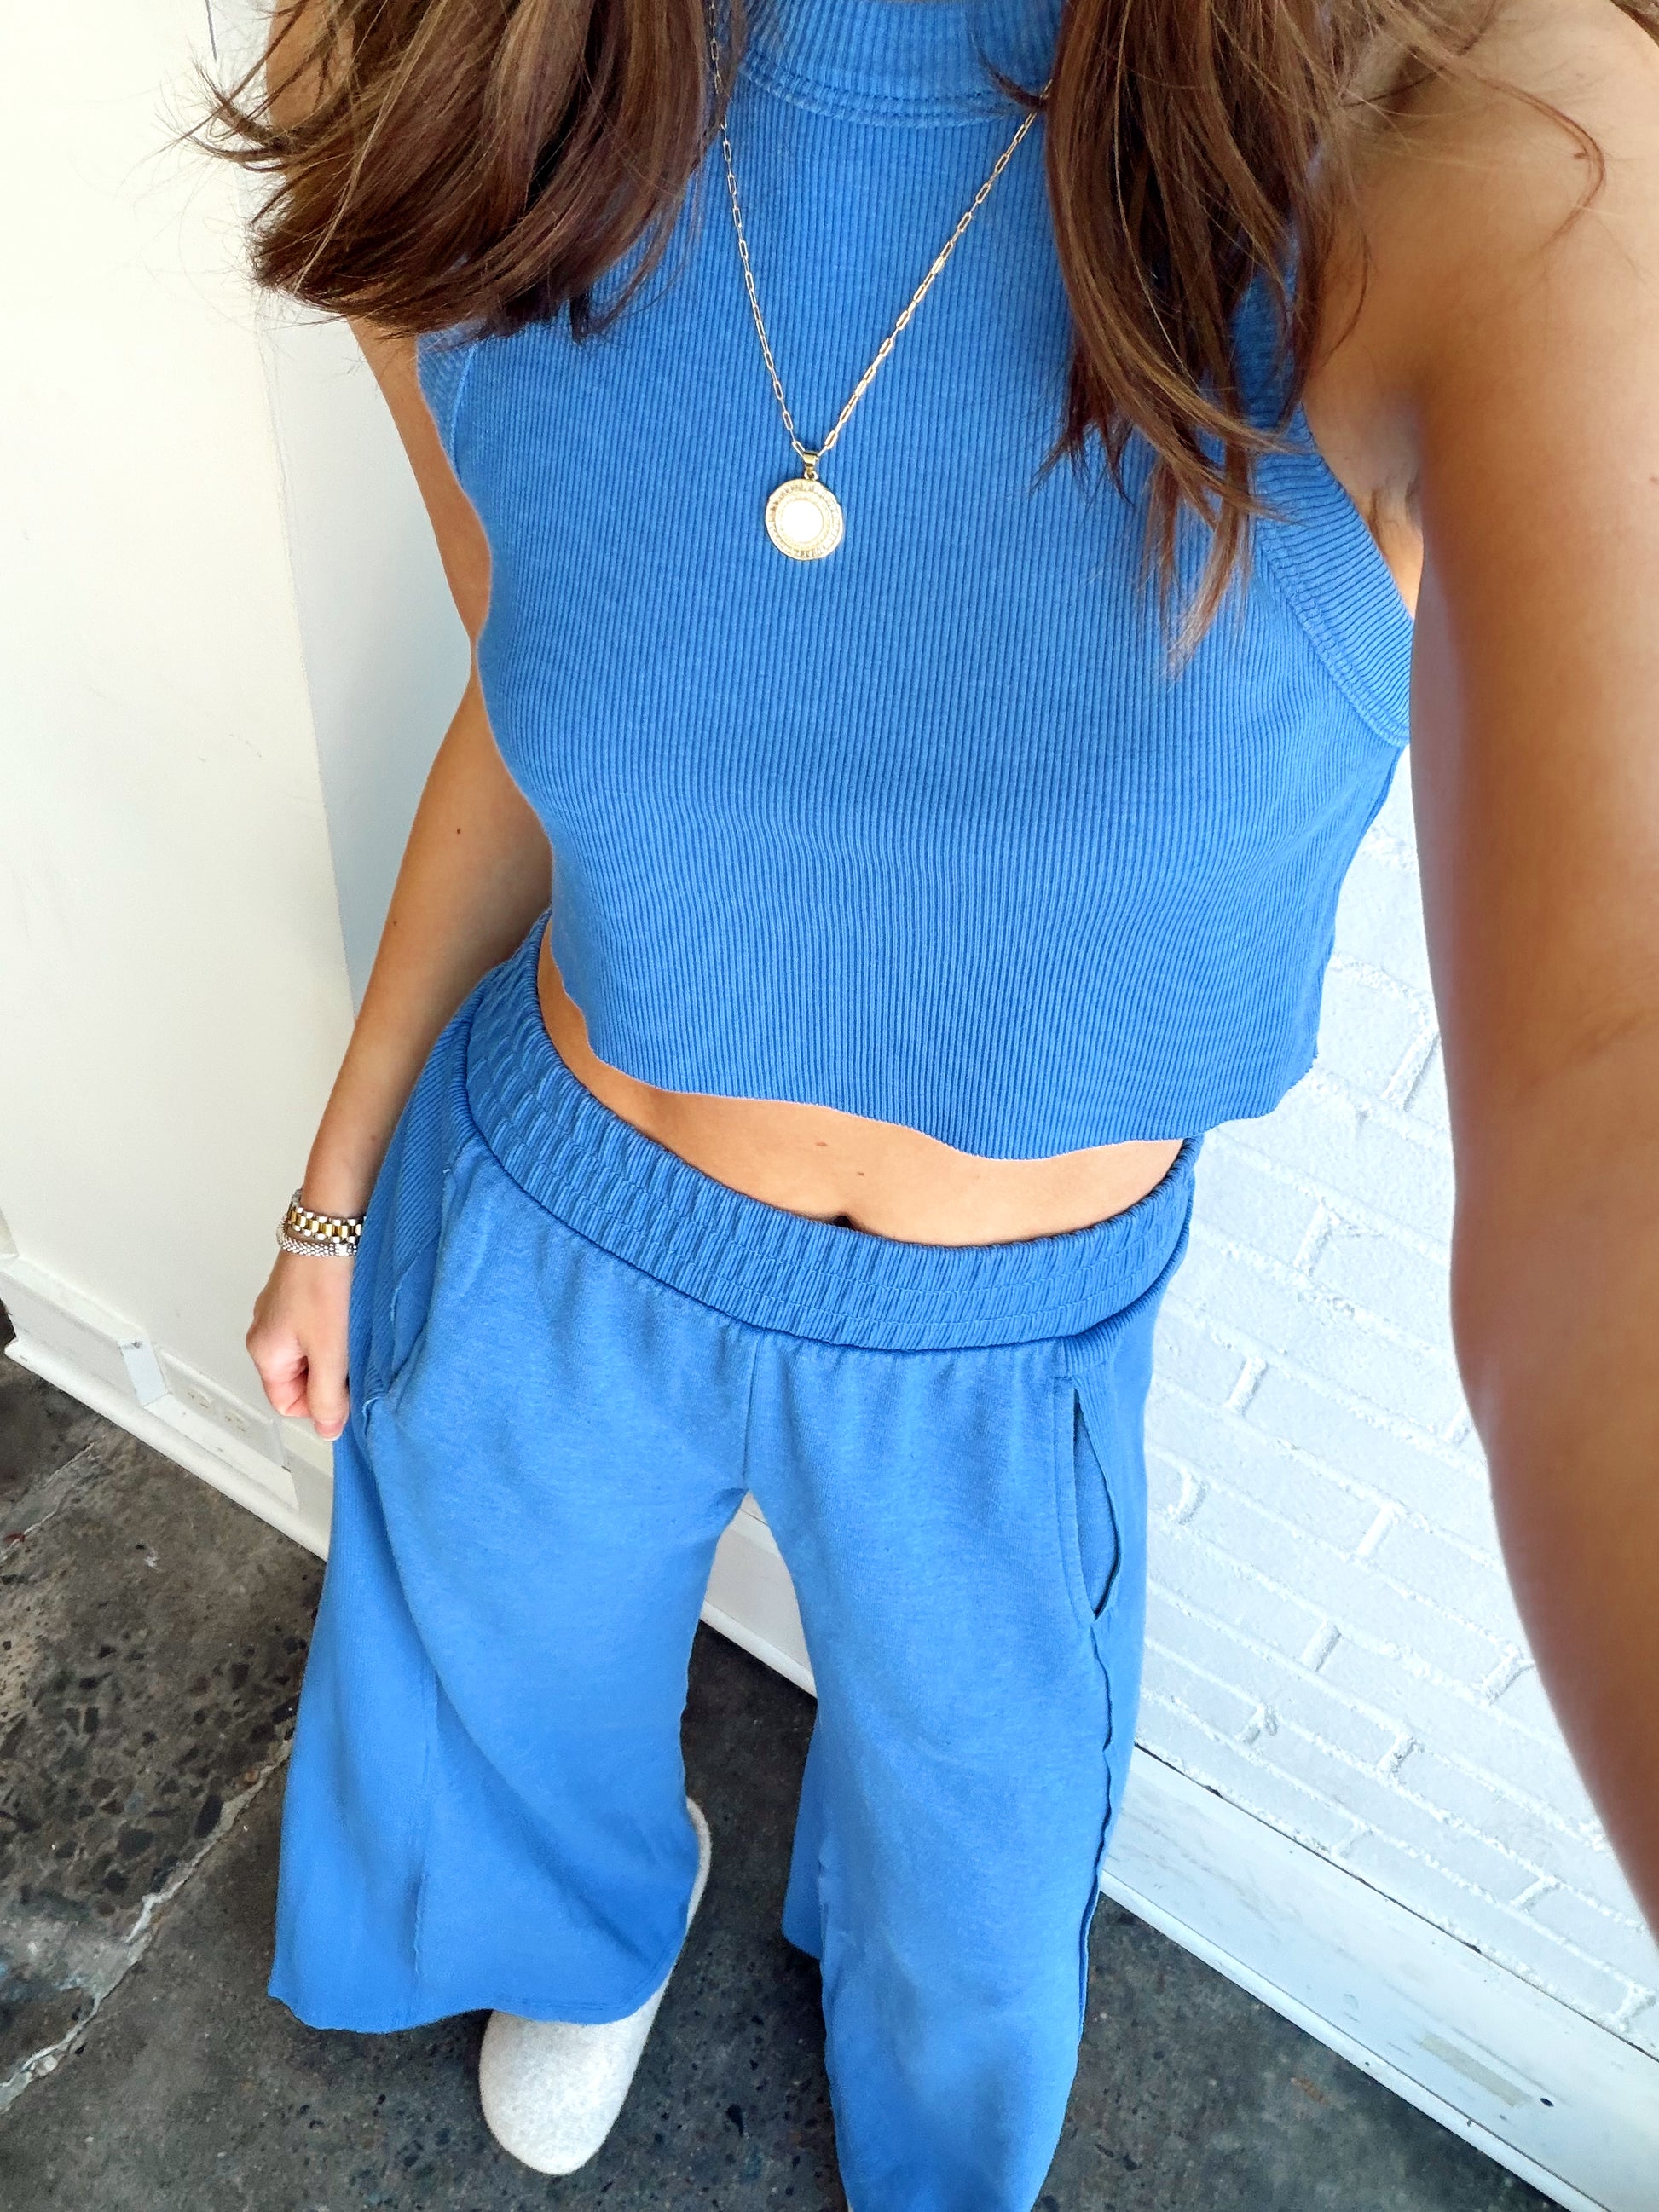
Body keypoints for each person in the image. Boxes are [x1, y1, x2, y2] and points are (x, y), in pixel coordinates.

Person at [216, 0, 1659, 2201]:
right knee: (495, 1699)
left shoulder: (1471, 120)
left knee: (976, 1886)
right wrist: (334, 1194)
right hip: (556, 1218)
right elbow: (541, 704)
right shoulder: (426, 54)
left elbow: (1613, 1079)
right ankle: (592, 1922)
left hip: (998, 1350)